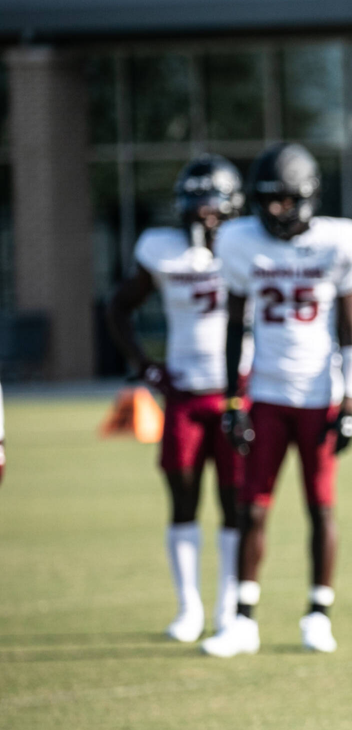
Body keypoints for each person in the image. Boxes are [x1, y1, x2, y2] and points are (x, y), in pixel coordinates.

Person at [201, 142, 352, 658]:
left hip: (319, 395)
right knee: (251, 507)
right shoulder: (238, 240)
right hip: (267, 395)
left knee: (320, 506)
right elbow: (234, 326)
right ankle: (242, 619)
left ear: (308, 197)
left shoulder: (343, 241)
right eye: (267, 199)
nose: (274, 210)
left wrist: (350, 404)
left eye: (284, 199)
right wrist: (233, 401)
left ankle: (318, 613)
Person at [106, 154, 250, 643]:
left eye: (214, 205)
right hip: (185, 393)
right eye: (196, 204)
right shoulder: (161, 249)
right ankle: (189, 607)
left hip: (237, 392)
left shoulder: (248, 246)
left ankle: (229, 609)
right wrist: (146, 368)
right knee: (183, 497)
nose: (205, 214)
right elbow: (118, 307)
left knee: (235, 503)